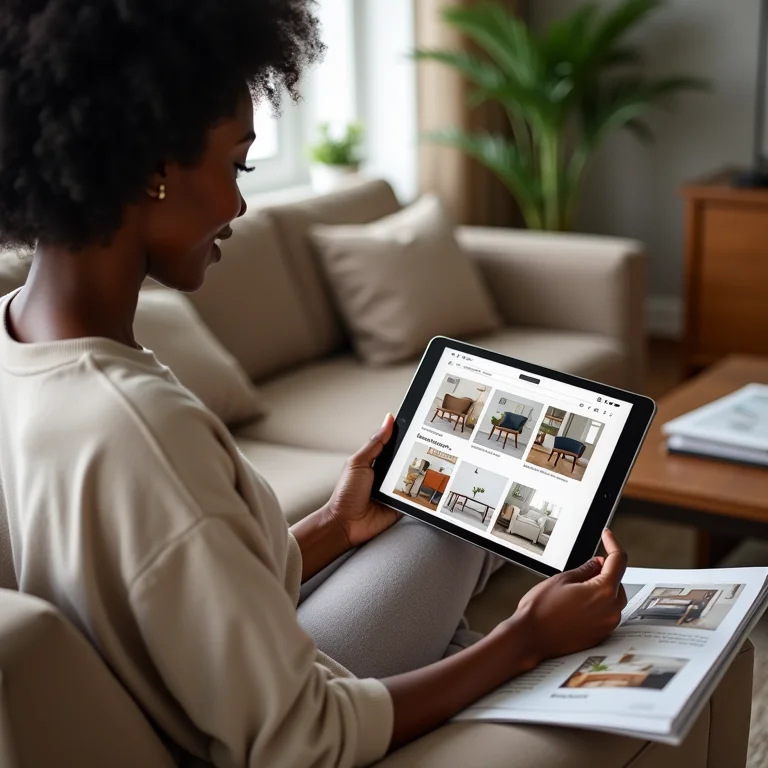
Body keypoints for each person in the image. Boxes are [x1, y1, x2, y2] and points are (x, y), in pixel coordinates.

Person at [0, 1, 628, 766]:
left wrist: (333, 526)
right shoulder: (137, 425)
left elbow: (180, 591)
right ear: (151, 167)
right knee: (458, 517)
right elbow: (304, 741)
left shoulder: (24, 345)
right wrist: (524, 641)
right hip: (238, 729)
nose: (238, 206)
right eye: (237, 165)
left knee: (438, 506)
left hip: (201, 685)